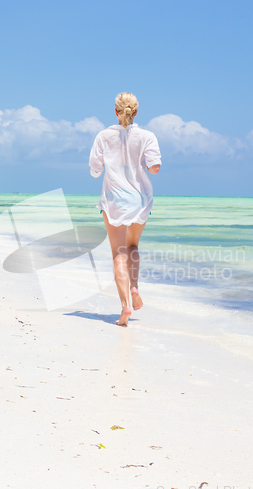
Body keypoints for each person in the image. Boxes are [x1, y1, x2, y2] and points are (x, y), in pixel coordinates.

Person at [89, 93, 162, 326]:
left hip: (113, 202)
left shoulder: (103, 136)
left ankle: (125, 307)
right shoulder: (147, 136)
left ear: (115, 111)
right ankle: (134, 287)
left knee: (118, 253)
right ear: (136, 112)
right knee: (133, 246)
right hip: (140, 201)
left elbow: (95, 170)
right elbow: (155, 169)